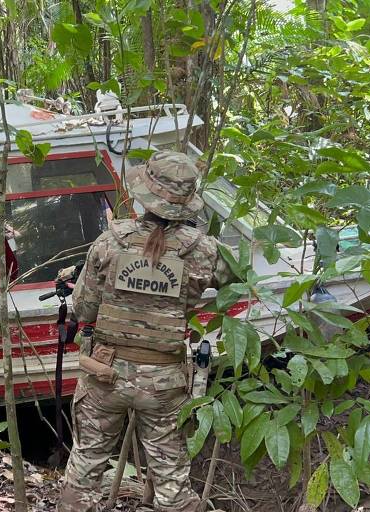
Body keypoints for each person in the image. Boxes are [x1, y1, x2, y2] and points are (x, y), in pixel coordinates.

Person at [57, 151, 236, 512]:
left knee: (86, 468)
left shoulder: (110, 242)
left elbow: (84, 309)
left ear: (144, 193)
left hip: (104, 375)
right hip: (165, 381)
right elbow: (241, 277)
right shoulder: (205, 251)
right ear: (188, 200)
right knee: (172, 481)